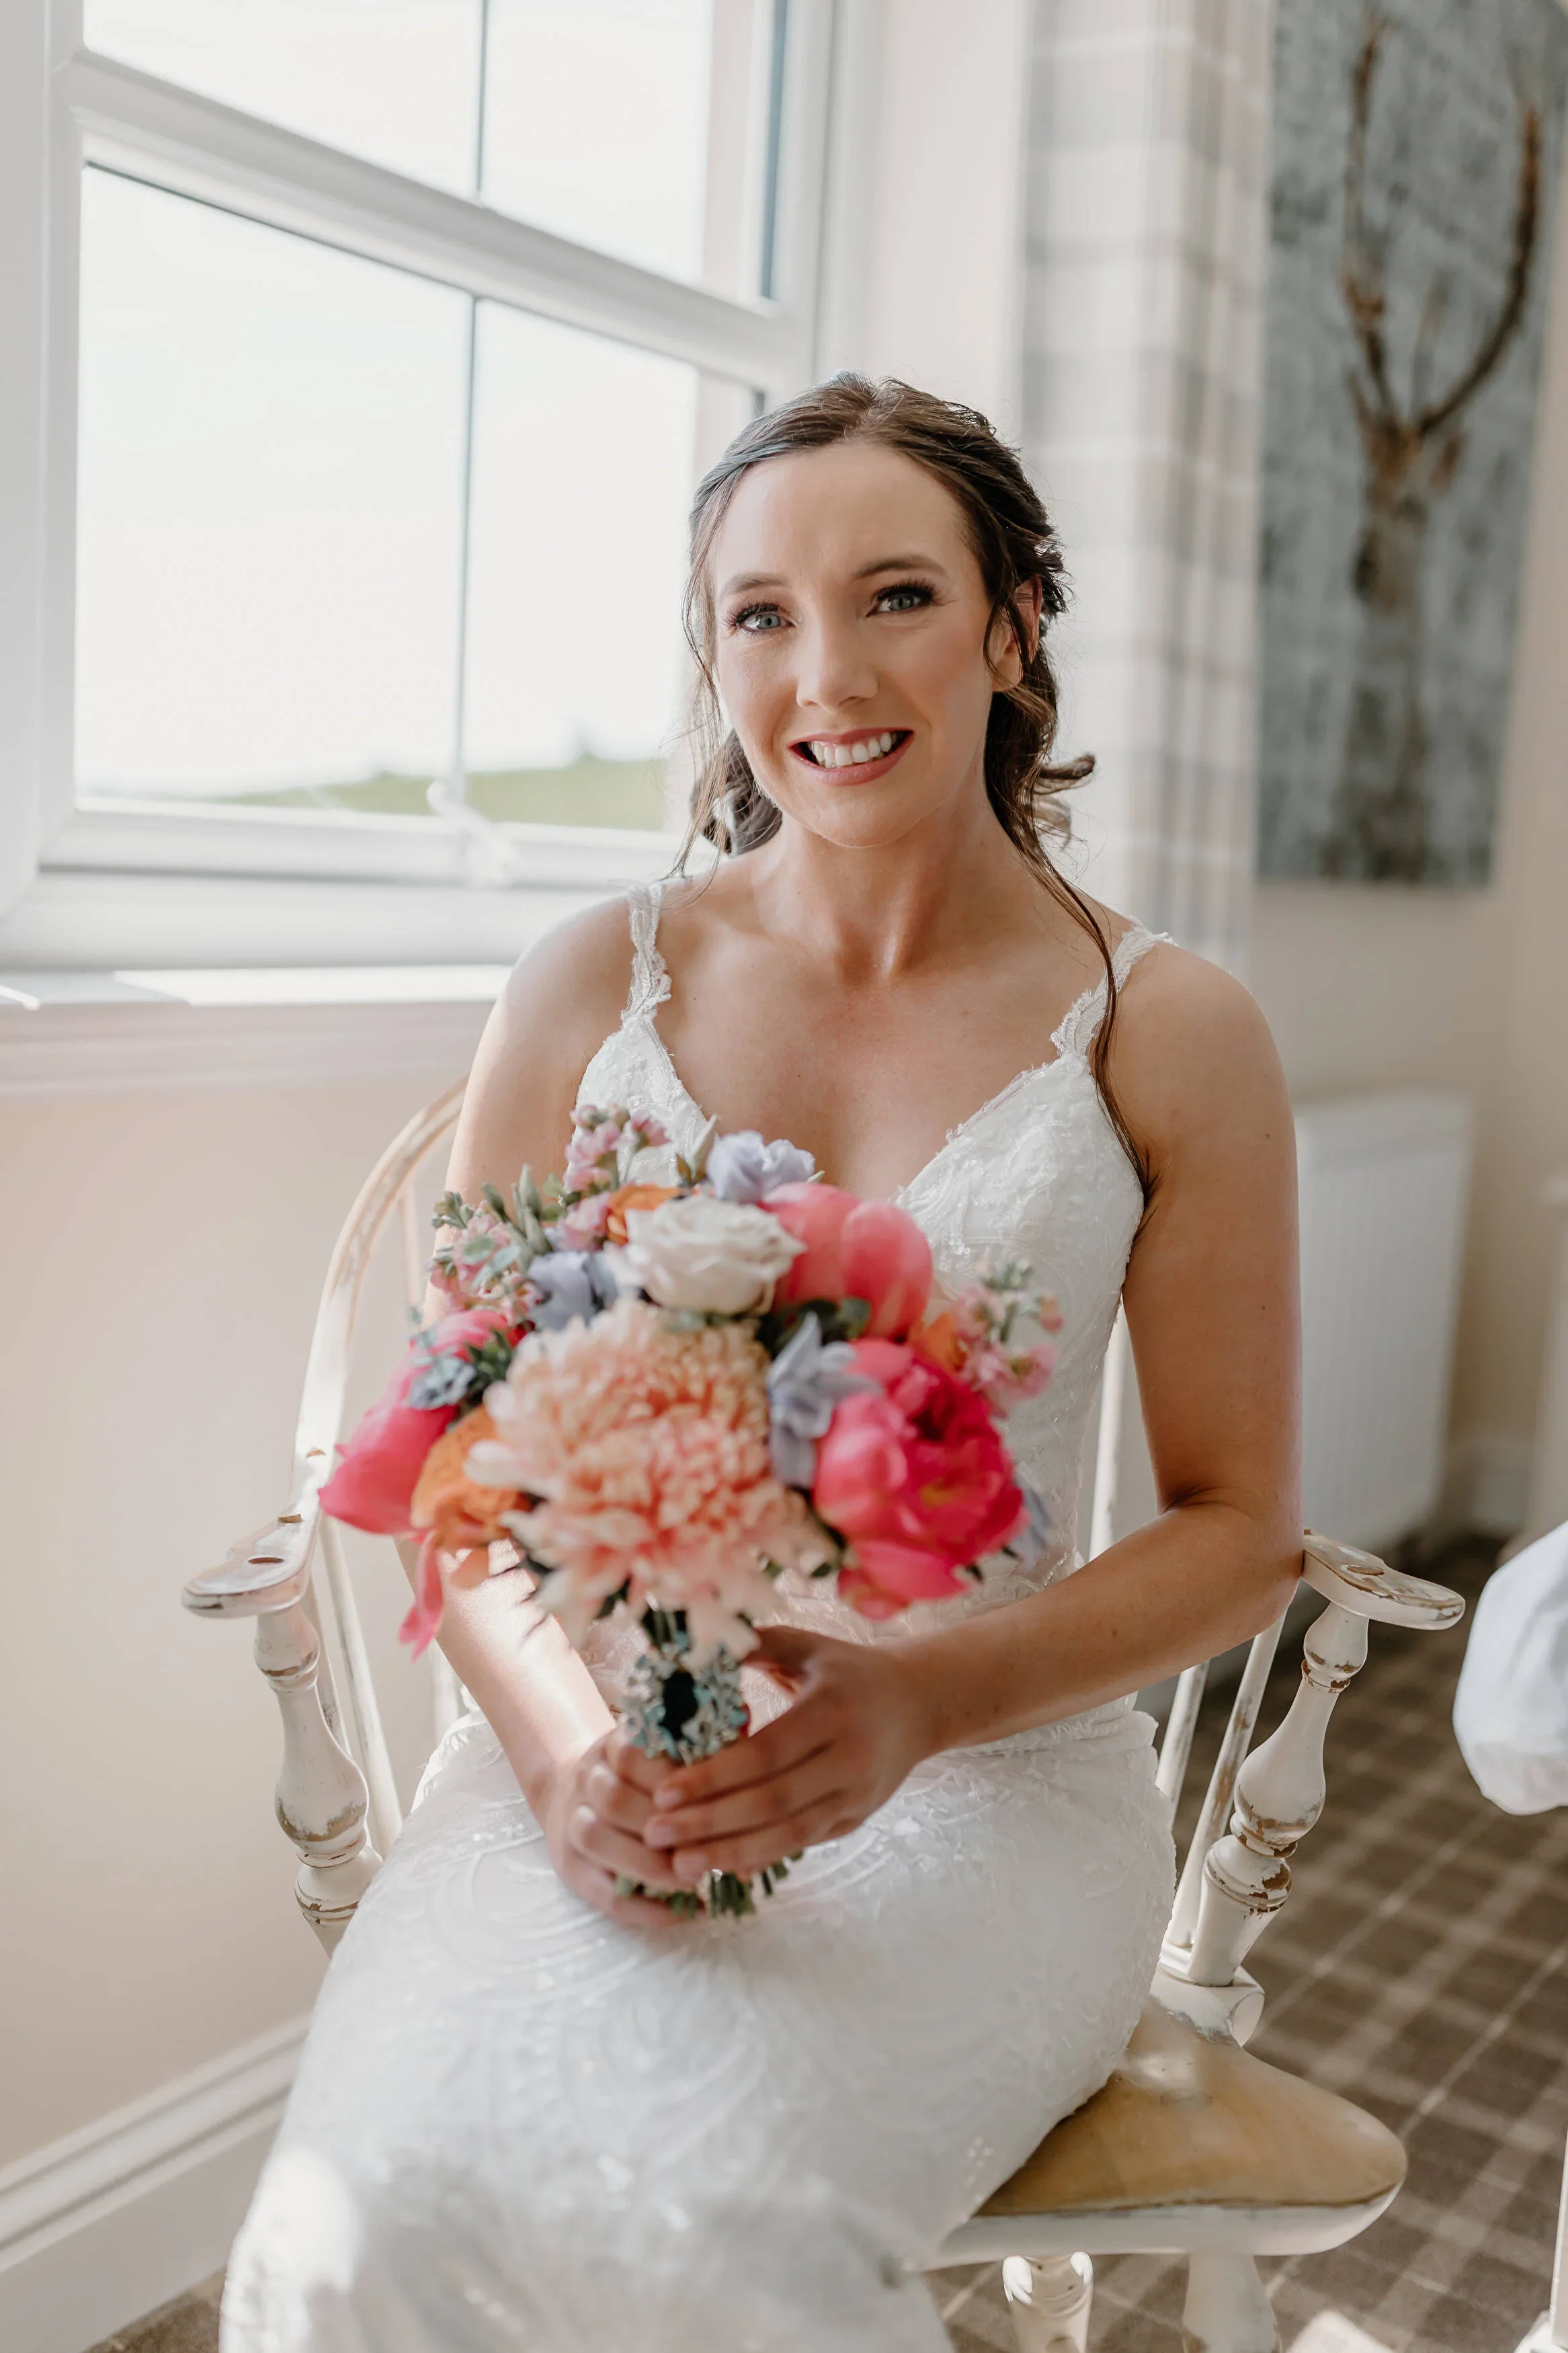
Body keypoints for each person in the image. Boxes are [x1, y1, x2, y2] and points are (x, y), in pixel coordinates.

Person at [223, 376, 1301, 2352]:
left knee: (699, 2233)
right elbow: (448, 1459)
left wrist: (917, 1699)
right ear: (711, 650)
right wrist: (560, 1756)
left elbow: (1239, 1532)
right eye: (758, 613)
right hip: (594, 1736)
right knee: (355, 2221)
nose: (826, 671)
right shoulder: (586, 983)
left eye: (895, 594)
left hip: (988, 1774)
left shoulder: (1169, 1028)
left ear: (1012, 620)